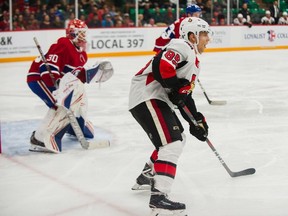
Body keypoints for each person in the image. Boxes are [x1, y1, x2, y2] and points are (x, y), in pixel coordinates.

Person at [129, 17, 211, 214]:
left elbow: (183, 96)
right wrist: (175, 86)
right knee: (171, 143)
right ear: (192, 36)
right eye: (205, 34)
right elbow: (161, 65)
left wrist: (196, 120)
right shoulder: (182, 45)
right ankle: (159, 198)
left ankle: (148, 175)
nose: (208, 39)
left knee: (178, 138)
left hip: (156, 98)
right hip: (147, 95)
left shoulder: (194, 60)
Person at [27, 18, 113, 153]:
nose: (84, 36)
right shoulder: (64, 44)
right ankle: (40, 138)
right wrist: (55, 86)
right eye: (81, 33)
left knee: (74, 97)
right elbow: (47, 67)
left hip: (55, 81)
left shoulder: (82, 55)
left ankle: (75, 127)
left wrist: (93, 74)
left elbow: (73, 77)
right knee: (60, 104)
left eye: (85, 33)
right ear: (72, 33)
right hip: (39, 79)